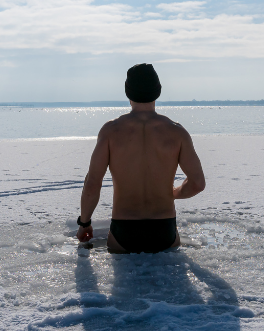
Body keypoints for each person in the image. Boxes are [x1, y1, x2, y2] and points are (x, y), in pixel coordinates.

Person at [76, 63, 206, 253]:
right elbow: (197, 183)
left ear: (128, 93)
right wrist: (173, 193)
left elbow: (92, 183)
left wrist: (84, 223)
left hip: (124, 231)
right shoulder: (177, 132)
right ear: (158, 91)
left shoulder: (111, 131)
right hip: (164, 230)